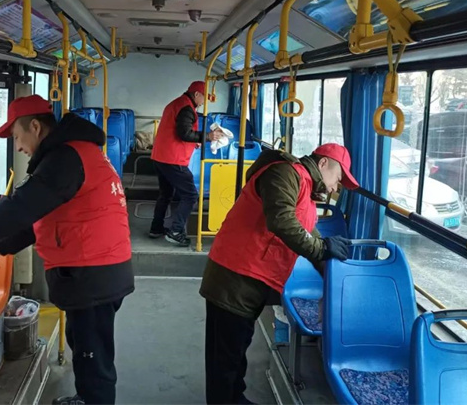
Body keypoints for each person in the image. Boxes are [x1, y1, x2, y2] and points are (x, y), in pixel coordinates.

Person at [0, 95, 133, 405]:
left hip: (93, 273)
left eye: (16, 136)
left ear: (35, 127)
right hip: (95, 270)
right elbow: (34, 220)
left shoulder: (65, 159)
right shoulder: (75, 153)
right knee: (84, 347)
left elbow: (18, 208)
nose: (18, 146)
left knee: (93, 358)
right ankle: (87, 398)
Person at [199, 143, 358, 405]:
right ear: (322, 164)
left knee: (237, 348)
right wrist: (321, 248)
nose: (334, 188)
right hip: (234, 277)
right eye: (337, 179)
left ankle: (234, 398)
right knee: (225, 356)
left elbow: (309, 235)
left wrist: (332, 277)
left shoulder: (304, 189)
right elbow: (282, 220)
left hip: (251, 279)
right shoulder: (284, 173)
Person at [150, 81, 222, 247]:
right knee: (190, 195)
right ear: (196, 94)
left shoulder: (177, 103)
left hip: (160, 156)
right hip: (173, 159)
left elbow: (177, 132)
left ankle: (156, 228)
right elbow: (184, 133)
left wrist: (195, 141)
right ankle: (176, 232)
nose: (204, 102)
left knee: (166, 193)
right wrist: (207, 136)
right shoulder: (187, 108)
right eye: (204, 98)